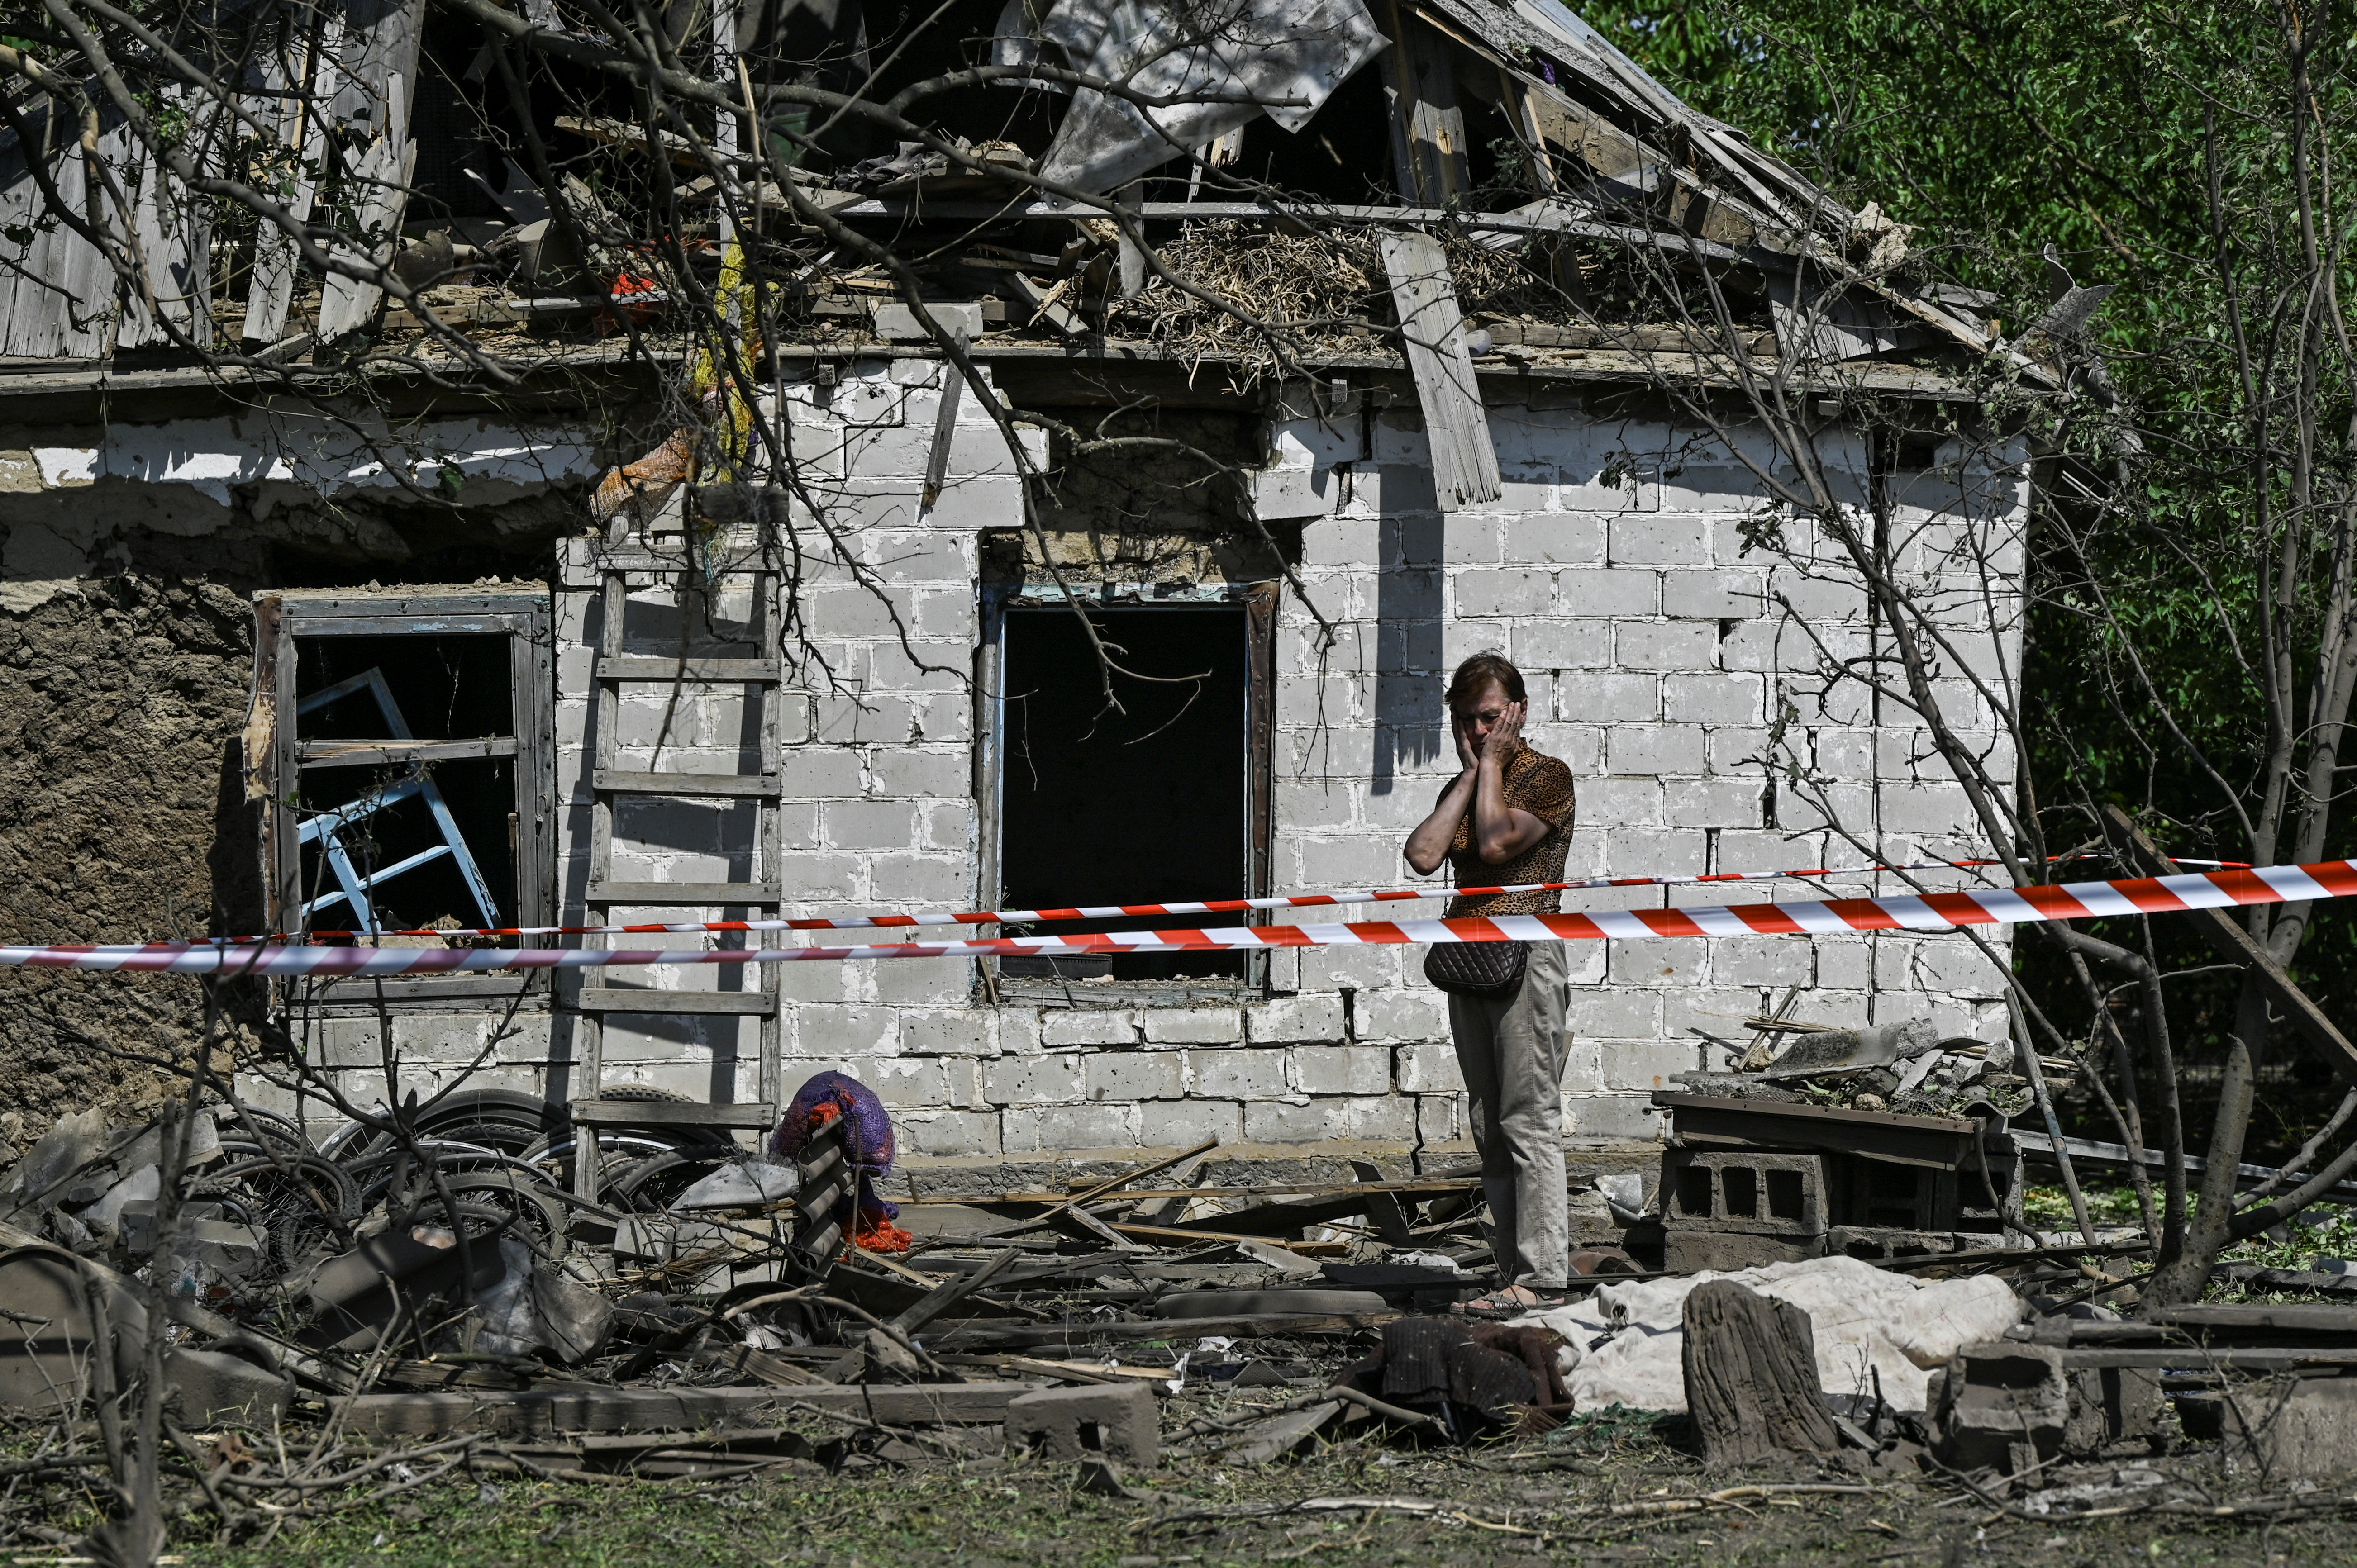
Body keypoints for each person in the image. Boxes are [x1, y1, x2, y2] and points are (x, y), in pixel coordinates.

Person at [1404, 651, 1577, 1315]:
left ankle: (1542, 1276)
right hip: (1468, 957)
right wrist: (1475, 773)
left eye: (1488, 717)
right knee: (1488, 1122)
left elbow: (1499, 843)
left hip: (1524, 956)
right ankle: (1511, 1273)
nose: (1477, 730)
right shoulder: (1468, 778)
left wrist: (1494, 770)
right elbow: (1423, 854)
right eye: (1466, 719)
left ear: (1518, 712)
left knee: (1527, 1116)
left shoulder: (1545, 776)